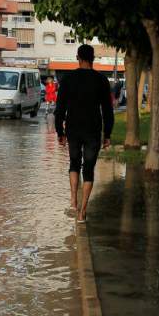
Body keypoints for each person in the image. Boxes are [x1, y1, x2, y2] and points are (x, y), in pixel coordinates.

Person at [55, 44, 114, 223]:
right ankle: (82, 212)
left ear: (78, 57)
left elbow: (60, 108)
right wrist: (107, 134)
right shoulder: (101, 80)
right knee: (88, 170)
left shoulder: (67, 79)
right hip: (93, 130)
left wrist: (60, 131)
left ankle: (73, 201)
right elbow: (107, 110)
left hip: (73, 128)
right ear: (93, 58)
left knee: (74, 163)